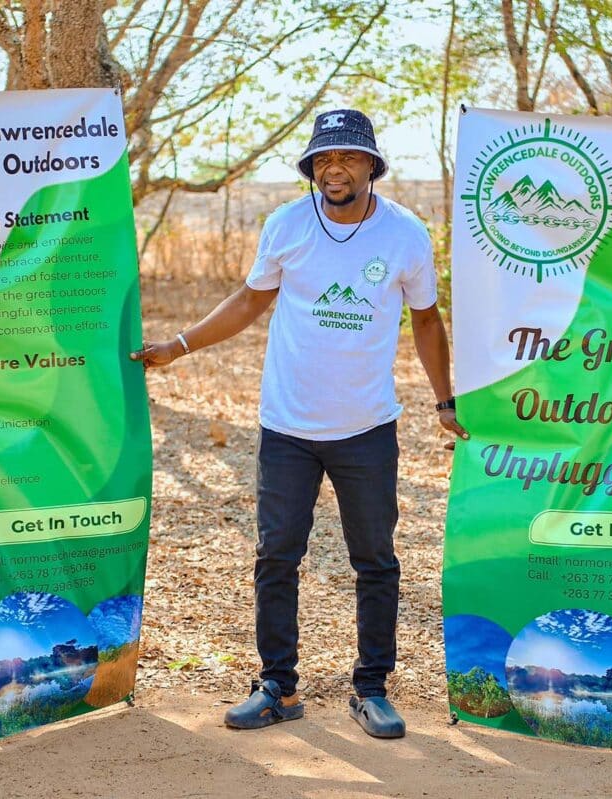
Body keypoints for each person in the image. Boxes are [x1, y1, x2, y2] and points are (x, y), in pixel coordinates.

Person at [132, 109, 466, 738]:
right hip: (287, 427)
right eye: (321, 159)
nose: (332, 168)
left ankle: (371, 688)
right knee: (276, 554)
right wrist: (178, 346)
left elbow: (426, 320)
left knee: (375, 560)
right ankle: (277, 686)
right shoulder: (287, 223)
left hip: (366, 429)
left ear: (371, 164)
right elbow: (252, 300)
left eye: (345, 157)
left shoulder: (405, 234)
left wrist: (445, 402)